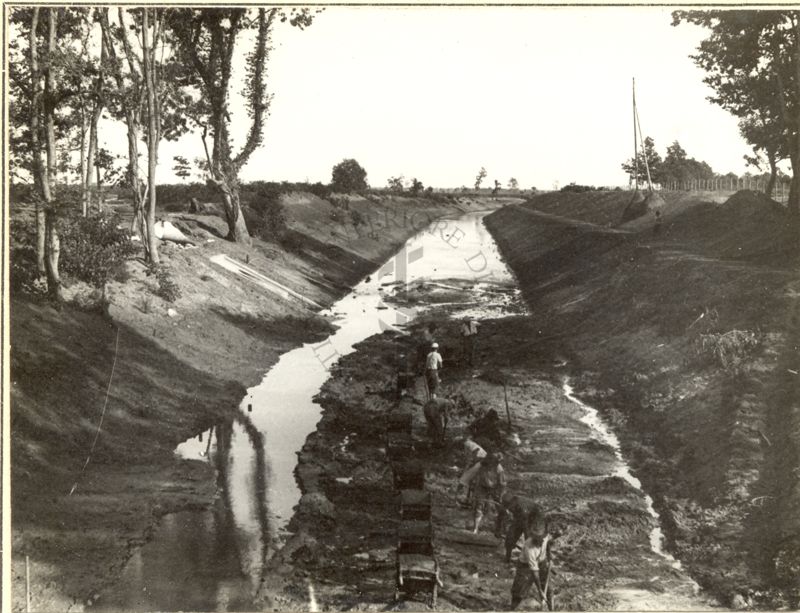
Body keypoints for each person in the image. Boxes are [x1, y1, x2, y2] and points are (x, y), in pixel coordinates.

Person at [510, 525, 554, 610]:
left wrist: (550, 557)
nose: (539, 541)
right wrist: (540, 591)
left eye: (540, 539)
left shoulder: (545, 536)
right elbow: (535, 572)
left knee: (549, 590)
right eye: (536, 539)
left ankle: (552, 610)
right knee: (519, 592)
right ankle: (512, 609)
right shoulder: (529, 548)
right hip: (525, 567)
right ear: (533, 537)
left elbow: (548, 543)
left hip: (542, 561)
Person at [495, 495, 543, 563]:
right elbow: (500, 515)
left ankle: (532, 561)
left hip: (531, 520)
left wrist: (528, 534)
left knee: (529, 541)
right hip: (520, 519)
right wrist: (497, 529)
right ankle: (507, 557)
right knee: (510, 537)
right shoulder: (507, 503)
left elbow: (526, 523)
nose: (509, 508)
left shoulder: (521, 505)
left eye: (509, 506)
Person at [470, 452, 506, 533]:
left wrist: (500, 495)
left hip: (495, 488)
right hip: (482, 487)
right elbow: (475, 476)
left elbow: (502, 484)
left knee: (499, 507)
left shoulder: (499, 469)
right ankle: (475, 528)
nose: (491, 464)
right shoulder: (482, 465)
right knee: (479, 505)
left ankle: (501, 528)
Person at [456, 437, 487, 503]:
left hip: (482, 461)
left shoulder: (467, 443)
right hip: (483, 461)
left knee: (465, 477)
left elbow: (476, 451)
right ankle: (468, 498)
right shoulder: (470, 444)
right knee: (472, 479)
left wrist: (472, 463)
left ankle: (456, 494)